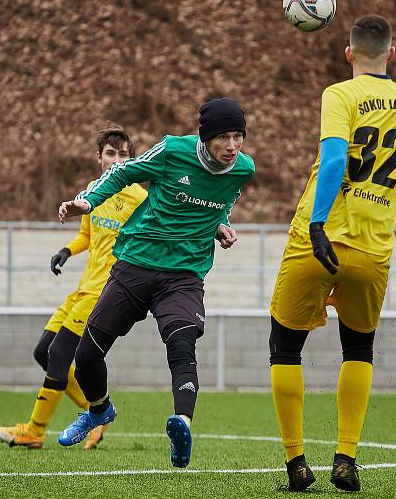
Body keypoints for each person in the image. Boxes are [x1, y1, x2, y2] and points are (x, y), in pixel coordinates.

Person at [268, 15, 396, 492]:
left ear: (349, 54)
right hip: (372, 247)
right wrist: (391, 206)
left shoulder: (340, 95)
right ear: (392, 53)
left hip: (318, 239)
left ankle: (296, 464)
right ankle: (345, 457)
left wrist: (320, 221)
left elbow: (335, 157)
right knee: (358, 348)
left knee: (285, 347)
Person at [55, 97, 255, 468]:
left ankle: (182, 424)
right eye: (224, 137)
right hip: (136, 264)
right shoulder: (172, 151)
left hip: (184, 275)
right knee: (85, 357)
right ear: (204, 137)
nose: (232, 146)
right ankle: (99, 411)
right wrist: (88, 202)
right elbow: (122, 172)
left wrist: (221, 223)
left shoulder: (243, 169)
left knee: (182, 346)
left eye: (238, 137)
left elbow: (224, 200)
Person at [0, 125, 147, 450]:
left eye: (123, 154)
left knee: (59, 353)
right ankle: (98, 411)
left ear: (132, 159)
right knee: (42, 353)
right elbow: (87, 237)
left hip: (105, 291)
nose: (116, 160)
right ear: (98, 157)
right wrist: (66, 250)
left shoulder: (140, 198)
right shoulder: (93, 190)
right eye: (110, 153)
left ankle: (34, 430)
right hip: (82, 288)